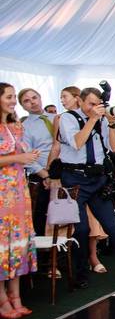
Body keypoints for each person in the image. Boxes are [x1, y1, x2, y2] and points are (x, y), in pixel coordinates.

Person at [57, 87, 115, 287]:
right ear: (81, 101)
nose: (95, 108)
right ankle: (80, 275)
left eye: (98, 105)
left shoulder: (103, 119)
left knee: (112, 227)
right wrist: (93, 119)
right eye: (91, 104)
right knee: (81, 229)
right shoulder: (67, 119)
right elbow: (77, 143)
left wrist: (111, 124)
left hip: (98, 179)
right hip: (75, 179)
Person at [47, 86, 109, 272]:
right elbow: (57, 146)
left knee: (90, 222)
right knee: (63, 218)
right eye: (60, 97)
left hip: (91, 175)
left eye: (65, 96)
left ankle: (92, 257)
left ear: (77, 98)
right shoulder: (63, 118)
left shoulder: (96, 117)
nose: (62, 100)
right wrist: (50, 173)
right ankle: (58, 262)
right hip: (70, 174)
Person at [0, 83, 38, 319]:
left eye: (15, 97)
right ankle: (3, 299)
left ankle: (16, 296)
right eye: (9, 97)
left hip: (19, 193)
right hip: (2, 193)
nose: (13, 101)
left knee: (19, 242)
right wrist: (19, 157)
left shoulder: (17, 126)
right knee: (2, 244)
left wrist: (27, 158)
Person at [17, 88, 56, 235]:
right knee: (41, 216)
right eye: (27, 101)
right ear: (22, 106)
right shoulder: (24, 127)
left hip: (64, 172)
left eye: (34, 97)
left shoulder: (57, 118)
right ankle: (43, 254)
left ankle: (66, 253)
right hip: (41, 175)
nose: (32, 102)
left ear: (40, 98)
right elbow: (26, 156)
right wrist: (45, 175)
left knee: (67, 213)